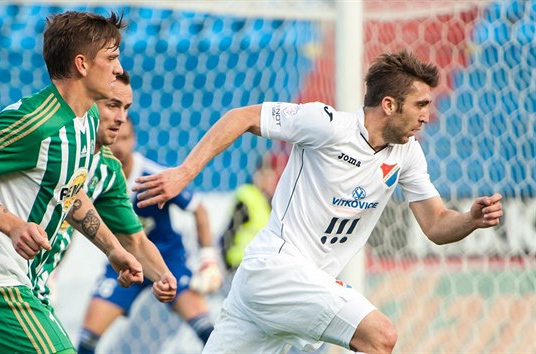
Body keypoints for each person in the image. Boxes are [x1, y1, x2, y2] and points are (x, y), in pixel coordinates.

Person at [132, 50, 504, 354]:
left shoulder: (407, 154)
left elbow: (436, 225)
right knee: (380, 336)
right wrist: (184, 172)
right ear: (389, 104)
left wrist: (470, 219)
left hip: (281, 287)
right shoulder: (327, 125)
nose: (427, 115)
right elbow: (241, 117)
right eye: (420, 104)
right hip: (275, 268)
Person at [0, 12, 175, 354]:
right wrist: (13, 226)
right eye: (111, 58)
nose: (118, 68)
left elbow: (71, 194)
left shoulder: (87, 119)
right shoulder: (36, 120)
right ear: (81, 64)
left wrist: (112, 249)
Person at [77, 115, 222, 353]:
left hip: (167, 261)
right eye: (115, 139)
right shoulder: (93, 179)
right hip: (123, 263)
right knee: (86, 341)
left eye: (125, 138)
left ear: (133, 139)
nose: (119, 146)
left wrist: (208, 260)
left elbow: (199, 209)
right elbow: (76, 220)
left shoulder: (152, 175)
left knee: (208, 331)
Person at [220, 152, 279, 271]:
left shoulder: (271, 201)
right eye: (265, 174)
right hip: (241, 261)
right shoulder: (247, 196)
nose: (270, 180)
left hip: (261, 263)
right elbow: (230, 231)